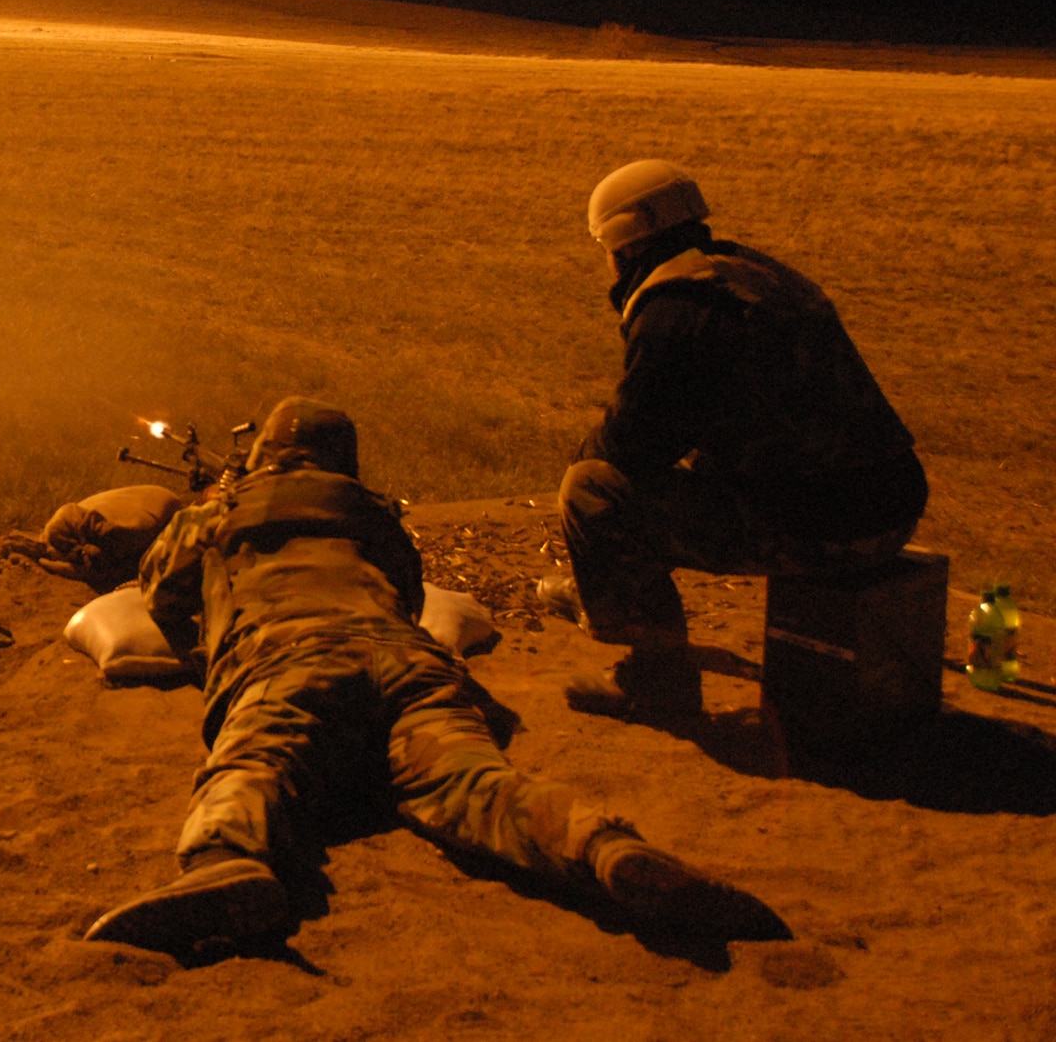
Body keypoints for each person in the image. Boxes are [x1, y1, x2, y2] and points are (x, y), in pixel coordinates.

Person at [84, 397, 777, 956]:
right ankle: (600, 846)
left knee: (254, 764)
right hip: (409, 664)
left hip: (288, 661)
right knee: (479, 785)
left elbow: (161, 591)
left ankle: (225, 860)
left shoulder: (218, 514)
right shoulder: (373, 516)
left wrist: (216, 644)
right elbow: (410, 598)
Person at [541, 161, 928, 718]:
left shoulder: (679, 308)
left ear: (622, 243)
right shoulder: (756, 275)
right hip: (891, 509)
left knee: (591, 489)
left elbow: (630, 446)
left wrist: (585, 466)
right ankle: (607, 602)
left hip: (826, 531)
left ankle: (655, 679)